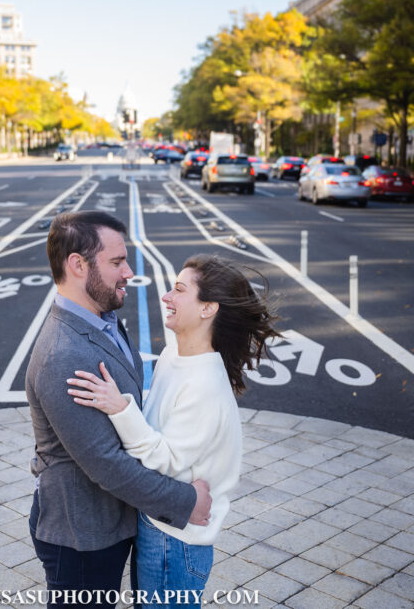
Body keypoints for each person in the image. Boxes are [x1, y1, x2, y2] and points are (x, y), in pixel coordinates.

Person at [67, 254, 279, 608]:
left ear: (208, 308)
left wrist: (120, 408)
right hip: (159, 524)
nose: (166, 296)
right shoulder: (174, 356)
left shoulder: (205, 384)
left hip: (174, 542)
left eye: (180, 289)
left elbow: (167, 461)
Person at [26, 211, 213, 609]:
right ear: (77, 265)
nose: (129, 271)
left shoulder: (102, 319)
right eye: (116, 262)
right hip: (82, 537)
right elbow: (106, 464)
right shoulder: (64, 355)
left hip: (109, 522)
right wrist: (185, 501)